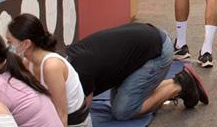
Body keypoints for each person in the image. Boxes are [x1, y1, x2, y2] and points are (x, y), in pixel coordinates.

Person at [65, 22, 208, 119]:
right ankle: (179, 79)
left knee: (122, 111)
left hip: (157, 51)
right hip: (144, 43)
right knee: (118, 102)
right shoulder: (66, 60)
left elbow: (81, 113)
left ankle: (180, 85)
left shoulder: (80, 72)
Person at [7, 14, 95, 127]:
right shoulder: (28, 62)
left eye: (10, 42)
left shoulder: (51, 66)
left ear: (26, 43)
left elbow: (61, 113)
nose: (8, 47)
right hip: (51, 123)